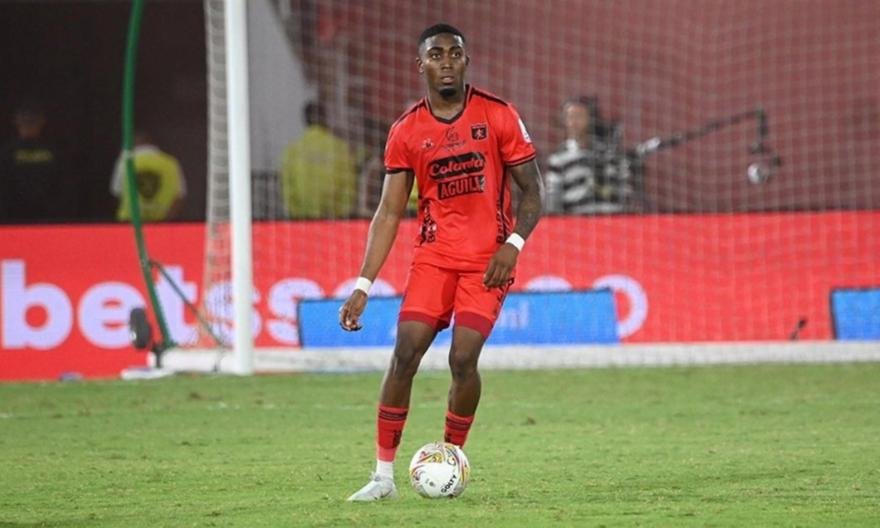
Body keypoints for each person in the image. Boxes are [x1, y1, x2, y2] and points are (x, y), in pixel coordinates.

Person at [339, 23, 544, 501]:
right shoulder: (407, 130)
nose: (446, 62)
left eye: (454, 53)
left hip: (487, 262)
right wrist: (363, 285)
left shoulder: (498, 115)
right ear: (421, 65)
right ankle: (382, 478)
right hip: (433, 259)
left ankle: (449, 459)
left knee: (463, 358)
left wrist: (513, 244)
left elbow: (533, 191)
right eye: (436, 55)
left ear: (466, 61)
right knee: (405, 353)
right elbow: (389, 212)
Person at [544, 96, 634, 214]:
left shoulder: (609, 153)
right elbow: (553, 199)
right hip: (578, 219)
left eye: (579, 116)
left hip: (612, 217)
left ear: (590, 119)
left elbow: (625, 187)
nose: (574, 122)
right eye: (570, 117)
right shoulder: (558, 159)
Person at [279, 101, 357, 219]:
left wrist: (296, 214)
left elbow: (287, 189)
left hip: (302, 220)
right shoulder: (340, 149)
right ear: (324, 118)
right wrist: (342, 214)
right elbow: (349, 187)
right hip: (333, 220)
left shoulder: (293, 150)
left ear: (305, 120)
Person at [0, 100, 67, 223]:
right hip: (14, 219)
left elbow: (61, 186)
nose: (29, 123)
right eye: (25, 119)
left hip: (46, 218)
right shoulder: (6, 154)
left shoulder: (54, 153)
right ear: (16, 121)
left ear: (42, 121)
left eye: (32, 120)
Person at [110, 130, 187, 222]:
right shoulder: (171, 163)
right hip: (162, 224)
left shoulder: (124, 162)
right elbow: (180, 197)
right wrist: (165, 222)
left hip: (130, 222)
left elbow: (117, 193)